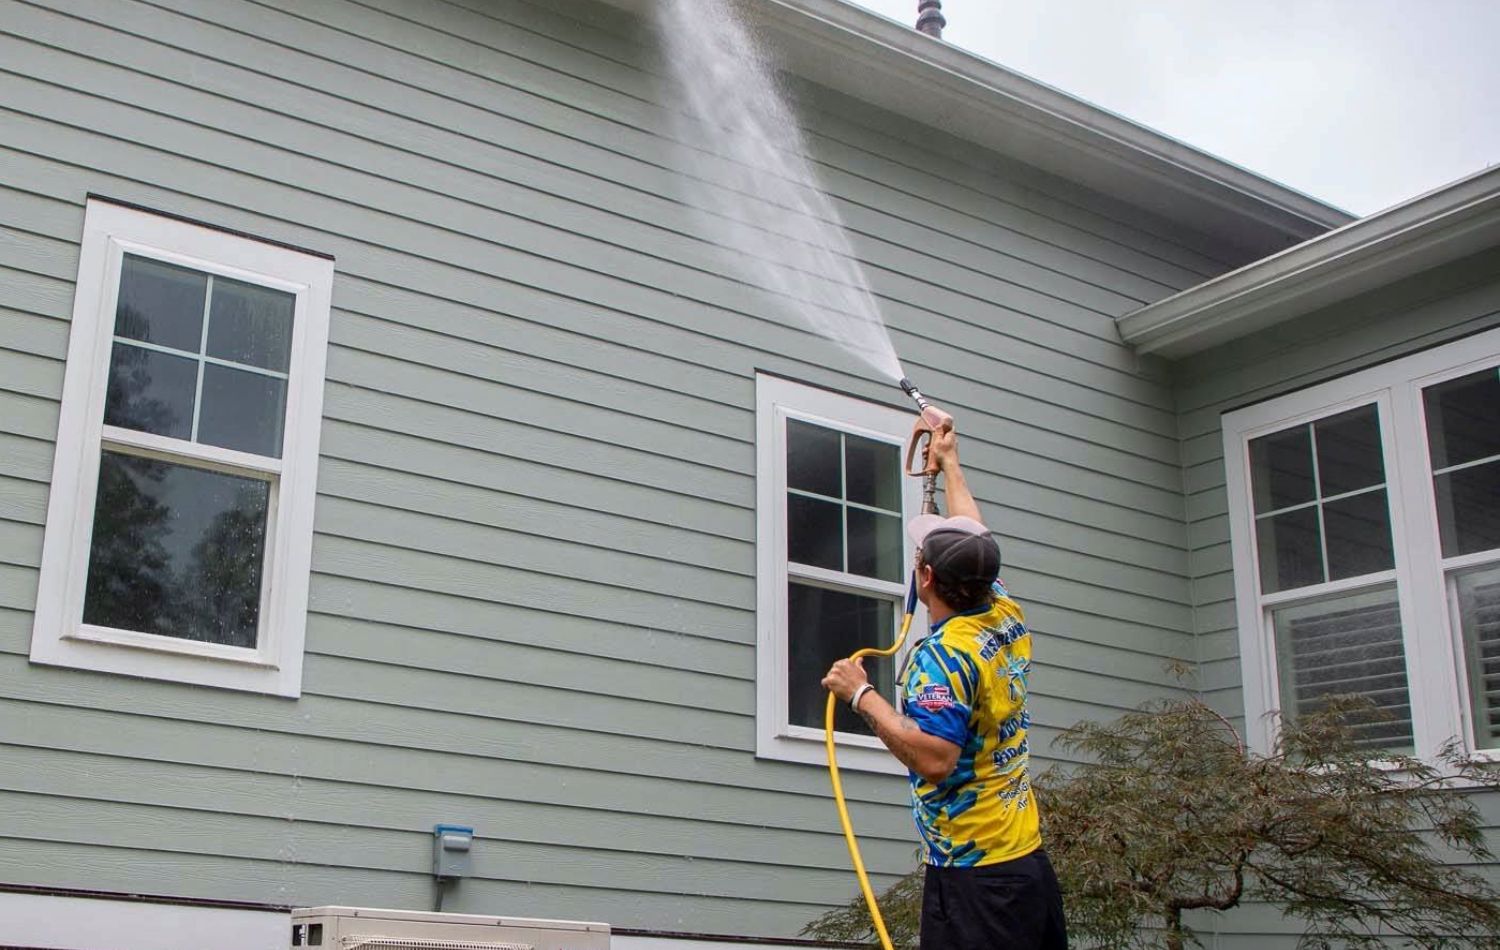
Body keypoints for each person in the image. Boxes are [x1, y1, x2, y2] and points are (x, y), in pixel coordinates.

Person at [822, 421, 1067, 950]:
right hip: (1025, 868)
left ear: (927, 579)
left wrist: (861, 695)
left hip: (976, 885)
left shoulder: (941, 658)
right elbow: (974, 533)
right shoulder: (1004, 615)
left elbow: (936, 759)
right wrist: (950, 460)